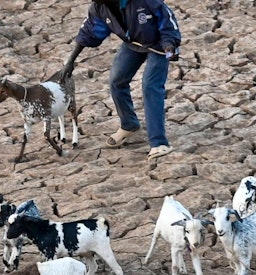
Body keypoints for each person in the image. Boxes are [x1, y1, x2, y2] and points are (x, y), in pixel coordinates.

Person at [73, 0, 183, 158]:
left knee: (150, 86)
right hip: (133, 44)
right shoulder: (100, 7)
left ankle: (159, 143)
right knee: (116, 81)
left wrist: (169, 44)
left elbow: (167, 19)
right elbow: (89, 32)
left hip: (159, 46)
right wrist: (69, 63)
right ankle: (129, 124)